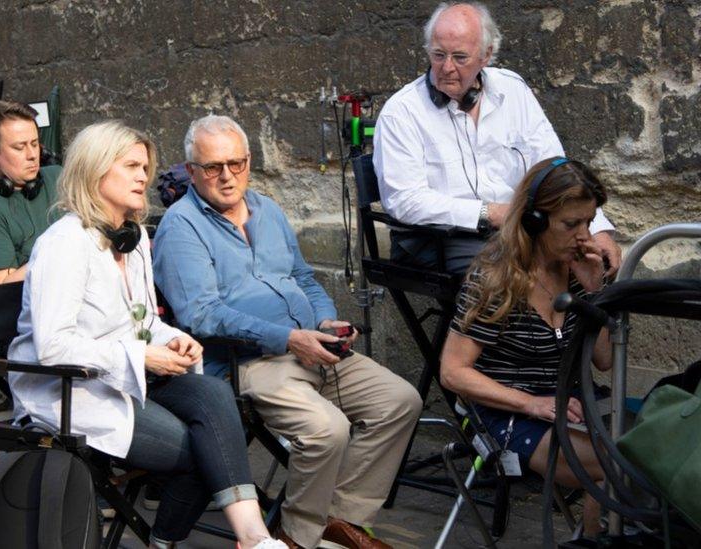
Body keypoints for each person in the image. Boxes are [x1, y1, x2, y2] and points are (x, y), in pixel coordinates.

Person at [7, 120, 285, 549]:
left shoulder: (131, 240)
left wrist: (172, 338)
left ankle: (254, 537)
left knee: (212, 396)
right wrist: (140, 356)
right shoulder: (64, 245)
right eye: (132, 166)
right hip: (69, 393)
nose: (144, 177)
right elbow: (53, 346)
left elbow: (143, 322)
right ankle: (165, 542)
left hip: (124, 379)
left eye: (145, 167)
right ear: (96, 171)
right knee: (200, 452)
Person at [153, 115, 422, 549]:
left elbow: (304, 277)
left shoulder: (267, 208)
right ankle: (296, 536)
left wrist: (324, 322)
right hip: (246, 362)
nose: (227, 177)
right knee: (326, 429)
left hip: (311, 345)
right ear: (191, 171)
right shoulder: (181, 226)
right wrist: (287, 338)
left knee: (400, 401)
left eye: (236, 164)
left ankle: (340, 523)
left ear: (249, 160)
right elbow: (201, 315)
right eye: (212, 167)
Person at [373, 1, 621, 278]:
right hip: (439, 239)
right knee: (523, 276)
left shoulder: (512, 90)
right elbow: (405, 201)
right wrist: (488, 213)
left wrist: (595, 230)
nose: (446, 68)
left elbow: (555, 171)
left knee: (587, 264)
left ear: (486, 55)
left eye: (460, 57)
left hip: (514, 231)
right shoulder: (402, 111)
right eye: (438, 55)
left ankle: (576, 322)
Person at [440, 157, 612, 535]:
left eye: (589, 222)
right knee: (616, 466)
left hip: (569, 403)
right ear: (535, 219)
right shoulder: (497, 280)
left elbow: (605, 360)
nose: (584, 236)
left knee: (651, 454)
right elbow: (453, 372)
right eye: (571, 224)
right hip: (505, 411)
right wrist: (531, 403)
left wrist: (595, 295)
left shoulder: (578, 270)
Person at [0, 100, 62, 285]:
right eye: (19, 147)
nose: (32, 154)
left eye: (35, 144)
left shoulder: (59, 177)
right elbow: (4, 287)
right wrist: (59, 254)